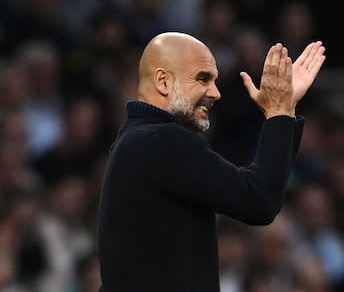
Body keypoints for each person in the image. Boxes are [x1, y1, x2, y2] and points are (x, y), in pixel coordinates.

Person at [97, 31, 325, 292]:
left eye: (215, 80)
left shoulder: (135, 140)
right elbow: (259, 201)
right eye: (203, 78)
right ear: (163, 81)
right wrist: (279, 113)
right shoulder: (163, 140)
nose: (215, 93)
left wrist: (284, 113)